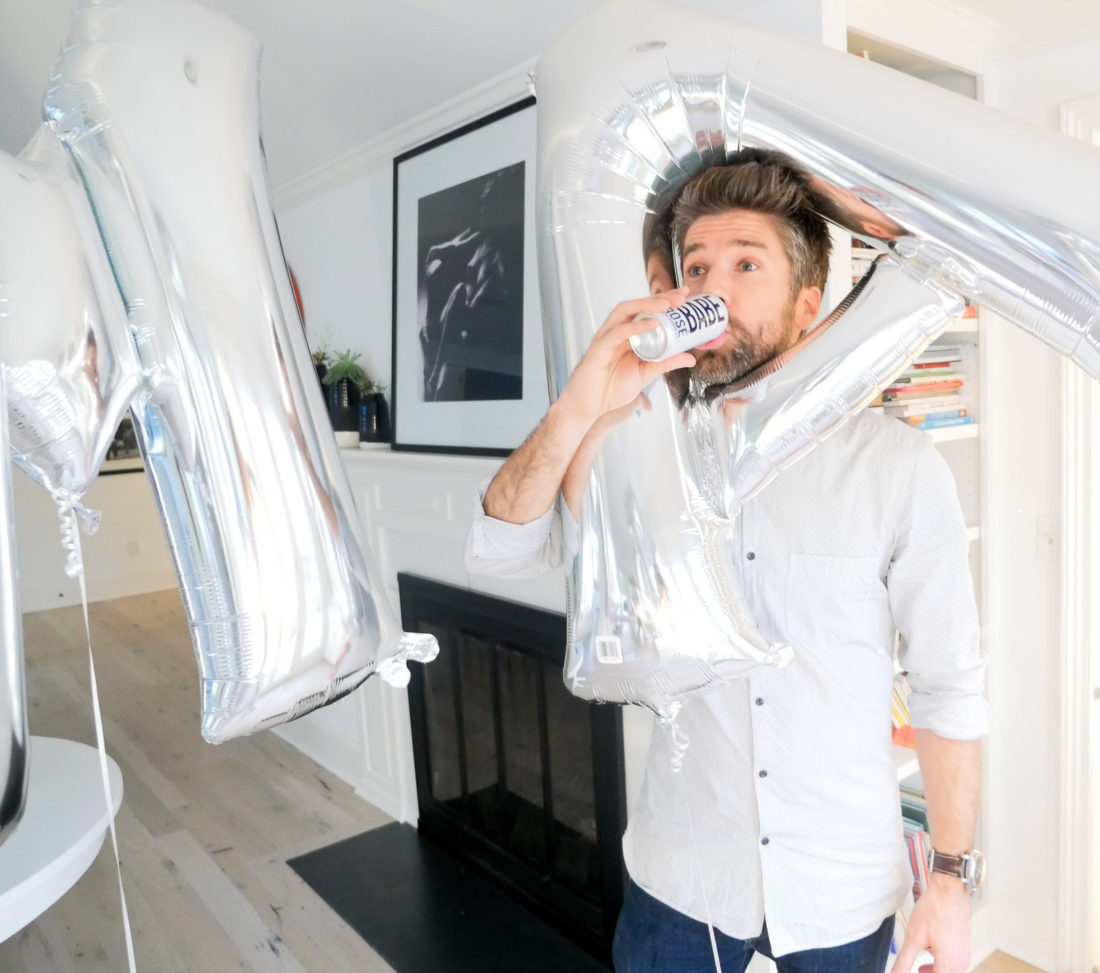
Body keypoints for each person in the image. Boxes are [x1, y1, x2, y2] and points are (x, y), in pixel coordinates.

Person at [465, 148, 987, 973]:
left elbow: (948, 683)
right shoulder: (632, 445)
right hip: (681, 886)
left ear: (808, 305)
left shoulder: (896, 467)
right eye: (697, 265)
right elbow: (498, 549)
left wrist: (951, 883)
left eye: (747, 264)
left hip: (843, 891)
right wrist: (581, 403)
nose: (713, 287)